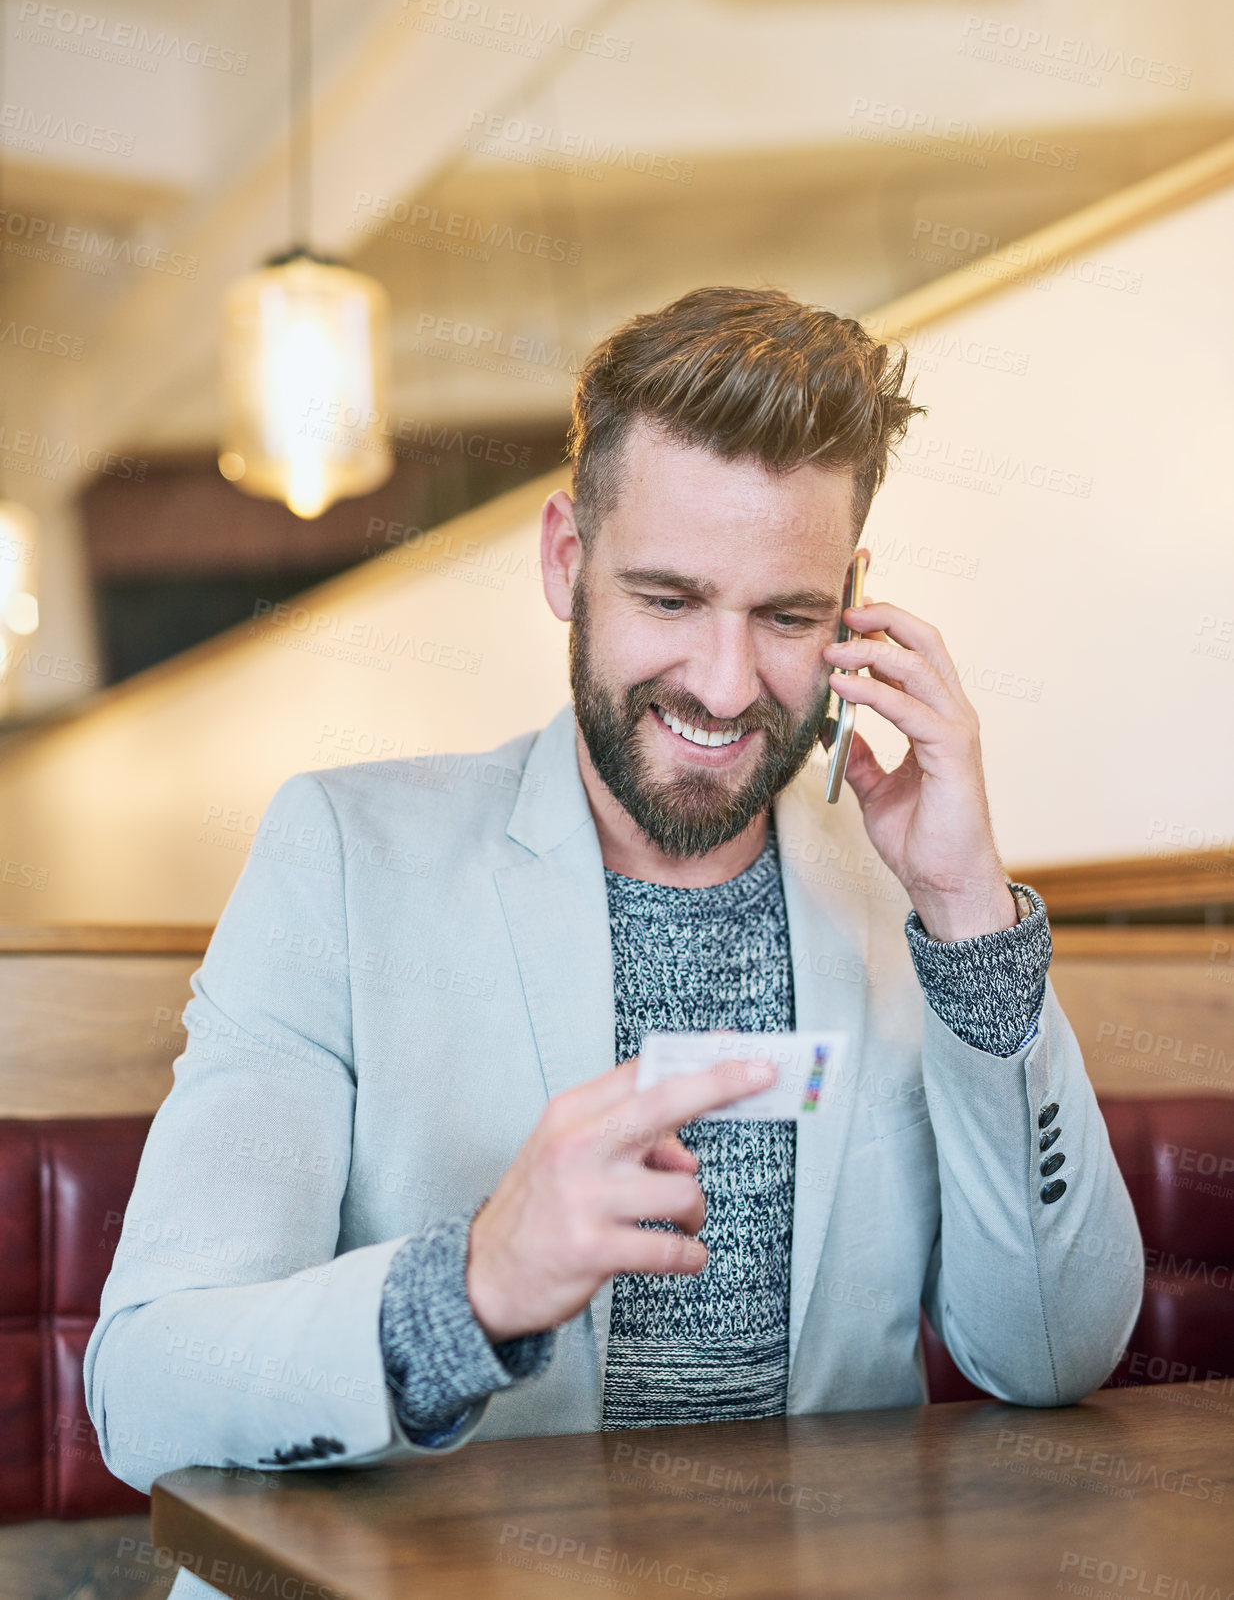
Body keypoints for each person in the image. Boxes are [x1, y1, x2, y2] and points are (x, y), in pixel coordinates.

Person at [85, 286, 1142, 1598]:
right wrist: (468, 1289)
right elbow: (144, 1389)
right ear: (563, 562)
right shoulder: (344, 858)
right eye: (666, 597)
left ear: (851, 609)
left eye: (785, 616)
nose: (719, 680)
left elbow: (1050, 1357)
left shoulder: (907, 899)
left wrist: (969, 912)